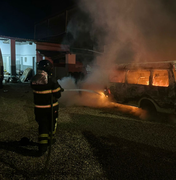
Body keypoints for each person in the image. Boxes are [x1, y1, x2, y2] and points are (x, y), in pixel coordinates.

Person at [30, 60, 64, 156]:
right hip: (51, 109)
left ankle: (42, 148)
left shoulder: (33, 80)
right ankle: (50, 140)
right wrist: (59, 89)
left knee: (42, 127)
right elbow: (58, 94)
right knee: (52, 125)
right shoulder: (51, 80)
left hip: (39, 109)